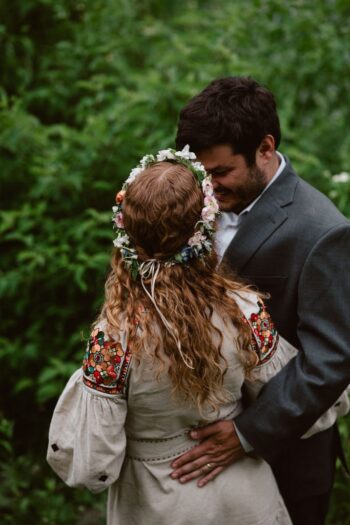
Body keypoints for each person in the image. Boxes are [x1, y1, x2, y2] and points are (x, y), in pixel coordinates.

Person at [47, 146, 300, 524]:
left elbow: (89, 463)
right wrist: (244, 433)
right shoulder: (244, 309)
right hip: (243, 496)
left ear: (126, 234)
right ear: (205, 227)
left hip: (157, 502)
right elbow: (294, 402)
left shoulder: (115, 336)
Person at [172, 76, 350, 525]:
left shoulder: (322, 231)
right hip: (199, 465)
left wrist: (247, 434)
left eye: (219, 172)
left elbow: (330, 360)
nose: (207, 188)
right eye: (200, 173)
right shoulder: (196, 202)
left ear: (265, 148)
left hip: (285, 458)